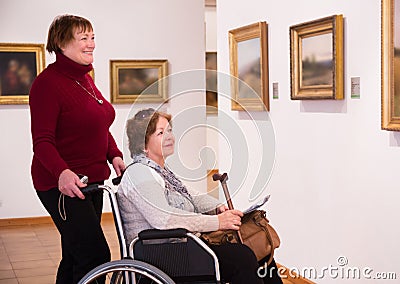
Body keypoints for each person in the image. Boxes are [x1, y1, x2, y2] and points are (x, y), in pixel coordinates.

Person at [117, 108, 282, 283]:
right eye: (160, 133)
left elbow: (191, 196)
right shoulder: (139, 174)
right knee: (242, 257)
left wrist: (217, 207)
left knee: (257, 248)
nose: (169, 136)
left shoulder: (160, 171)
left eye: (170, 130)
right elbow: (164, 219)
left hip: (183, 246)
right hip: (163, 255)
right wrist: (217, 222)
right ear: (143, 144)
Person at [29, 14, 125, 284]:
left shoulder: (85, 78)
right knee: (94, 255)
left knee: (74, 255)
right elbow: (42, 141)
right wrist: (62, 172)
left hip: (92, 181)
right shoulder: (47, 84)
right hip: (61, 184)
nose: (91, 44)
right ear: (61, 43)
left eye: (92, 37)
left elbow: (98, 123)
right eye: (84, 38)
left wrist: (114, 154)